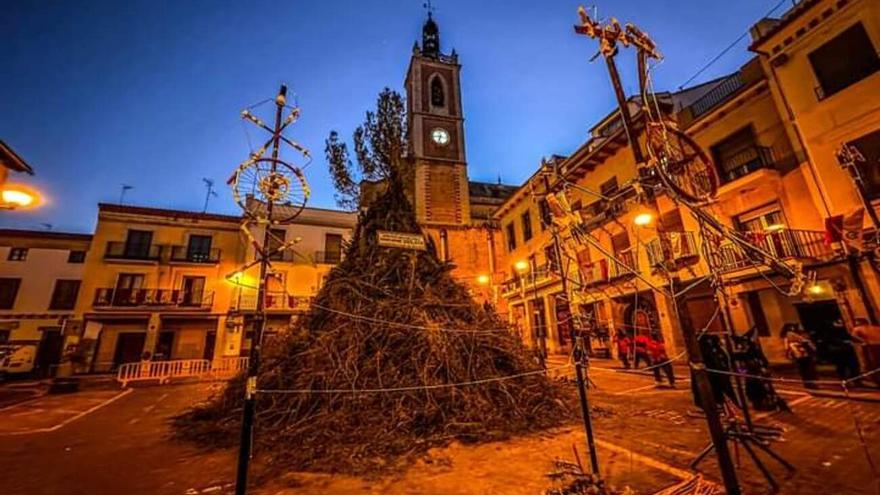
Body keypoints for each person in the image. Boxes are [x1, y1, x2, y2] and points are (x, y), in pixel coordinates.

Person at [782, 323, 818, 389]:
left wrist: (788, 354)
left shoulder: (788, 337)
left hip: (799, 355)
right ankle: (810, 383)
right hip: (802, 354)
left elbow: (786, 348)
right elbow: (806, 342)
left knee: (804, 370)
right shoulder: (796, 335)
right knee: (807, 370)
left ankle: (808, 383)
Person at [829, 318, 862, 384]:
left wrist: (857, 341)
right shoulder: (831, 332)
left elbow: (851, 337)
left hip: (848, 350)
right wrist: (844, 342)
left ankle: (856, 380)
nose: (841, 325)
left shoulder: (844, 331)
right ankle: (844, 381)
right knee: (842, 367)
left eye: (841, 323)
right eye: (838, 323)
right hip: (839, 351)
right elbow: (831, 341)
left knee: (853, 365)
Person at [852, 317, 880, 387]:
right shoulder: (876, 328)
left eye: (857, 322)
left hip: (870, 346)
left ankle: (875, 380)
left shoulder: (857, 329)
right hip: (878, 344)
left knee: (871, 363)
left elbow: (853, 336)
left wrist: (863, 341)